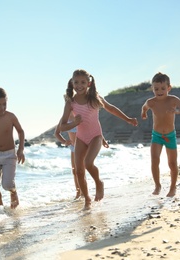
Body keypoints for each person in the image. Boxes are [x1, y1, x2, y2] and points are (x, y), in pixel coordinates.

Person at [59, 69, 138, 210]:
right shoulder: (70, 103)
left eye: (83, 82)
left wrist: (128, 119)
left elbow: (111, 108)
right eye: (76, 82)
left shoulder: (94, 97)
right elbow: (62, 126)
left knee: (88, 163)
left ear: (88, 83)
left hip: (96, 136)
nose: (79, 85)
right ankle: (87, 200)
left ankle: (99, 183)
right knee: (78, 171)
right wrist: (74, 124)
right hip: (81, 138)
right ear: (72, 83)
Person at [141, 72, 180, 197]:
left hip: (170, 136)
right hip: (156, 136)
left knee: (172, 163)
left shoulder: (173, 100)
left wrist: (178, 111)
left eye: (163, 88)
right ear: (152, 89)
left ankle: (172, 187)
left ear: (168, 88)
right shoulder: (151, 102)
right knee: (154, 160)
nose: (159, 91)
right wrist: (144, 113)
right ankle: (157, 185)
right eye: (156, 89)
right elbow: (144, 107)